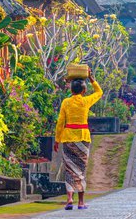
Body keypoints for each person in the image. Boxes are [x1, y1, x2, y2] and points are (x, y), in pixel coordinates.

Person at [54, 69, 102, 210]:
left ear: (72, 90)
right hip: (82, 138)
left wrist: (57, 140)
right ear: (83, 91)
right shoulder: (86, 101)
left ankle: (69, 199)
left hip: (68, 138)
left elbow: (60, 122)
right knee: (80, 169)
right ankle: (81, 202)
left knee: (69, 169)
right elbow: (99, 92)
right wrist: (92, 79)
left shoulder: (66, 102)